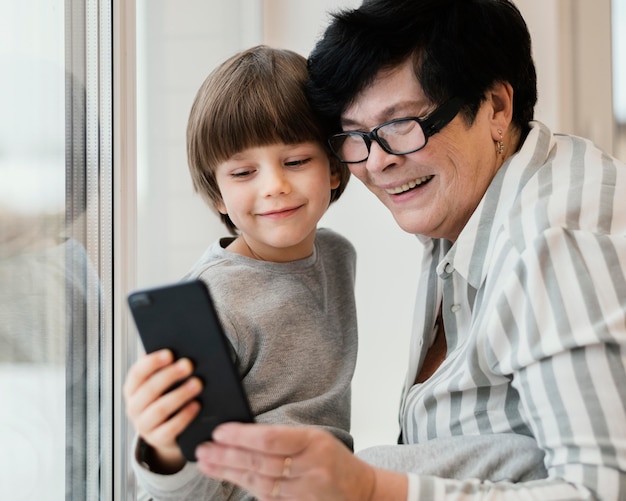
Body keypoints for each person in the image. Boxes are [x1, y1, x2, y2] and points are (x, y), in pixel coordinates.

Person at [190, 1, 626, 499]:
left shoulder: (555, 250)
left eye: (401, 125)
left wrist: (372, 486)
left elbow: (598, 491)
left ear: (497, 109)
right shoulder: (467, 195)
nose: (376, 163)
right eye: (356, 135)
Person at [123, 45, 358, 500]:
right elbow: (189, 483)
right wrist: (166, 450)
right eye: (244, 172)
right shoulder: (215, 302)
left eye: (295, 161)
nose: (274, 186)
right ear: (216, 193)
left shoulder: (336, 255)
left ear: (333, 166)